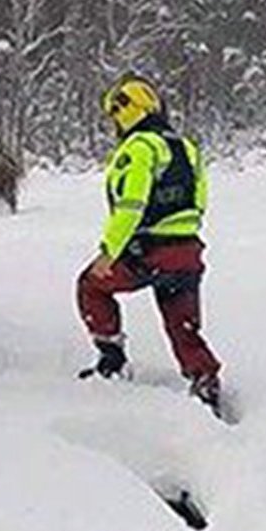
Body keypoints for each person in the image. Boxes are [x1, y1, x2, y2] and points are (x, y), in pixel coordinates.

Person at [76, 74, 223, 411]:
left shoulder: (138, 148)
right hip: (187, 252)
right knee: (182, 325)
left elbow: (131, 206)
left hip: (148, 252)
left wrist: (108, 252)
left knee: (90, 286)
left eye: (115, 114)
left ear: (127, 110)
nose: (113, 122)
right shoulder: (187, 148)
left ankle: (111, 360)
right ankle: (205, 381)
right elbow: (198, 201)